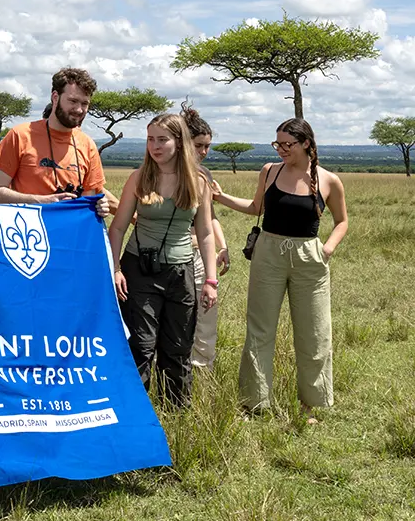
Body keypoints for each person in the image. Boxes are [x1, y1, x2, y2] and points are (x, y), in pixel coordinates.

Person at [212, 118, 348, 423]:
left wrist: (327, 249)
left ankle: (310, 406)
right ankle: (254, 404)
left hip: (310, 259)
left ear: (307, 145)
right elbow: (254, 207)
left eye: (288, 144)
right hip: (268, 253)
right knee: (259, 329)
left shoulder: (328, 180)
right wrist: (220, 197)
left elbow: (342, 221)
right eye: (278, 144)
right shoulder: (269, 171)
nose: (282, 150)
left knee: (314, 333)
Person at [108, 113, 219, 408]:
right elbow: (117, 227)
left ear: (179, 141)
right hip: (139, 270)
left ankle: (176, 414)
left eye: (162, 139)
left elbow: (206, 233)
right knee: (141, 345)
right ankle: (136, 415)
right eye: (150, 139)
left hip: (181, 271)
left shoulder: (198, 182)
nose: (155, 146)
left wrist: (210, 281)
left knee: (178, 347)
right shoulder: (139, 177)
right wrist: (115, 268)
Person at [0, 67, 114, 216]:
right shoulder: (20, 136)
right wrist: (43, 201)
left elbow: (89, 199)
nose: (79, 110)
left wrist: (100, 206)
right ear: (55, 97)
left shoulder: (88, 145)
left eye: (85, 103)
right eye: (73, 101)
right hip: (30, 231)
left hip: (71, 232)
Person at [180, 102, 231, 369]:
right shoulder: (162, 172)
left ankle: (203, 372)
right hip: (173, 253)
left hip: (200, 253)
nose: (203, 152)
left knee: (205, 316)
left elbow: (209, 219)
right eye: (198, 145)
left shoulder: (204, 175)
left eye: (207, 146)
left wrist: (222, 247)